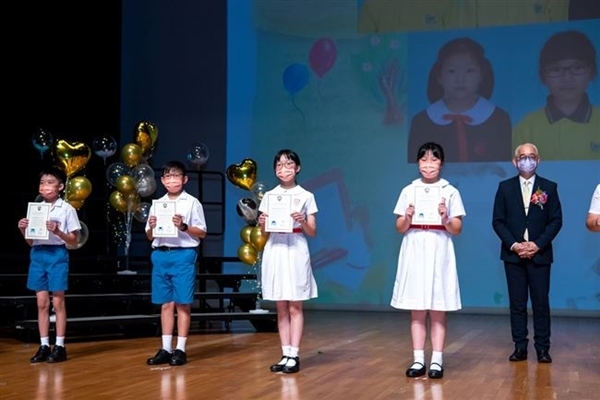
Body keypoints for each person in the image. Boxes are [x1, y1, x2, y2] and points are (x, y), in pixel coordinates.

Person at [391, 142, 466, 380]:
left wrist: (446, 218)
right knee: (417, 308)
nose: (429, 165)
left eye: (434, 160)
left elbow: (457, 228)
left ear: (441, 163)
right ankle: (418, 359)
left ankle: (437, 360)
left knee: (437, 308)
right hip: (415, 245)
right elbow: (399, 227)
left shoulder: (450, 191)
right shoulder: (408, 190)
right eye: (424, 160)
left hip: (439, 246)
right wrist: (407, 217)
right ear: (418, 163)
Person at [492, 143, 563, 363]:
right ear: (515, 162)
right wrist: (515, 245)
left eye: (531, 156)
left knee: (541, 303)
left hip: (540, 255)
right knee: (517, 304)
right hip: (513, 256)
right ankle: (520, 347)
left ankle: (542, 348)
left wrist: (537, 244)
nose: (527, 160)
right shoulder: (504, 187)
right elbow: (498, 222)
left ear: (538, 160)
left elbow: (556, 221)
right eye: (522, 157)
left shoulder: (549, 187)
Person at [257, 149, 318, 374]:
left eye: (289, 164)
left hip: (296, 248)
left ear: (297, 168)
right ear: (275, 170)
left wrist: (303, 221)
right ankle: (285, 354)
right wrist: (262, 223)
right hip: (275, 248)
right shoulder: (270, 196)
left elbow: (312, 231)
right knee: (281, 306)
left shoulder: (306, 195)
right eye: (279, 165)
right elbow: (264, 233)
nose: (284, 169)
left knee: (295, 305)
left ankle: (294, 354)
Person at [407, 37, 512, 163]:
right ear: (439, 76)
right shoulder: (422, 122)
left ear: (481, 75)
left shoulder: (499, 119)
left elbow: (506, 167)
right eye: (452, 71)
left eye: (469, 70)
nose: (460, 79)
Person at [144, 161, 207, 366]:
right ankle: (165, 348)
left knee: (182, 303)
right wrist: (152, 227)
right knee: (165, 304)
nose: (172, 180)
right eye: (168, 177)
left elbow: (202, 232)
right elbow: (149, 236)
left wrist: (184, 226)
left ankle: (180, 349)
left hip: (183, 254)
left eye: (176, 176)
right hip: (161, 254)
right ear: (162, 181)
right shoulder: (157, 204)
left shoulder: (192, 203)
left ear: (184, 179)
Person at [17, 167, 81, 363]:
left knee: (58, 302)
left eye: (50, 182)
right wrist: (23, 230)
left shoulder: (67, 209)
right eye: (42, 183)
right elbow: (31, 241)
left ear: (60, 187)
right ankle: (44, 344)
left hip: (57, 254)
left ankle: (59, 345)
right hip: (38, 254)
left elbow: (74, 241)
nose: (45, 186)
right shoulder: (36, 209)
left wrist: (58, 231)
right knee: (41, 303)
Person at [512, 30, 599, 161]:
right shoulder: (526, 128)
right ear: (543, 77)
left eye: (577, 68)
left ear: (591, 72)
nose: (567, 78)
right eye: (556, 69)